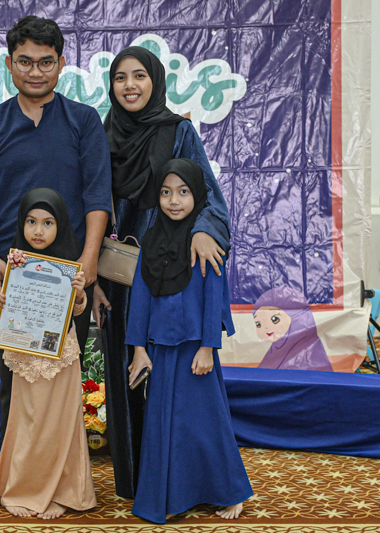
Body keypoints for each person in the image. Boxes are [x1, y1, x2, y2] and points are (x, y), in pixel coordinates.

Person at [0, 16, 111, 439]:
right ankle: (19, 469)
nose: (35, 72)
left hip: (68, 276)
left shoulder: (83, 121)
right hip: (11, 271)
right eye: (25, 62)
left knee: (63, 379)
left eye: (46, 62)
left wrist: (88, 260)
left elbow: (99, 196)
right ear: (10, 64)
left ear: (60, 64)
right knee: (17, 378)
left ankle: (61, 469)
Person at [92, 46, 232, 497]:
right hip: (119, 278)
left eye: (139, 75)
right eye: (120, 78)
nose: (129, 85)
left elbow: (208, 193)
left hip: (169, 278)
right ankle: (140, 482)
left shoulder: (178, 131)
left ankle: (186, 482)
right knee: (128, 376)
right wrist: (92, 278)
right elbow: (90, 205)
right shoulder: (102, 134)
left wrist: (205, 231)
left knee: (179, 384)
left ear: (155, 80)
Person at [126, 159, 252, 523]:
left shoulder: (207, 243)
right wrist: (138, 350)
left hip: (196, 352)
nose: (173, 201)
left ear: (197, 194)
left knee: (207, 424)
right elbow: (140, 300)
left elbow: (215, 297)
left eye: (183, 192)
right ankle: (169, 497)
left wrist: (208, 347)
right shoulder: (151, 241)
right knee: (164, 427)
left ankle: (231, 492)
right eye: (166, 192)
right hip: (160, 350)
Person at [0, 188, 96, 519]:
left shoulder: (70, 268)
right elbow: (10, 311)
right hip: (25, 357)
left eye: (48, 223)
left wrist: (79, 295)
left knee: (60, 425)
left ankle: (63, 493)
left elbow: (78, 311)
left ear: (60, 225)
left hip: (60, 358)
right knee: (26, 423)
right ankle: (21, 488)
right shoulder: (16, 265)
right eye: (31, 221)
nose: (38, 230)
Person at [253, 286, 334, 371]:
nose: (266, 327)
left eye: (275, 319)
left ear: (295, 318)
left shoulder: (310, 354)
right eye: (258, 324)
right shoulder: (275, 351)